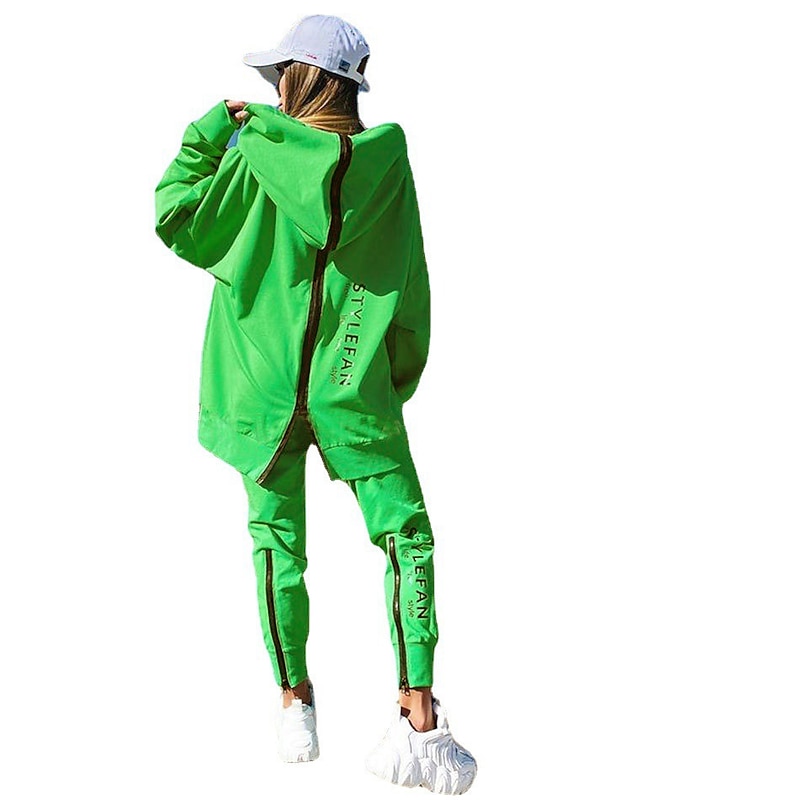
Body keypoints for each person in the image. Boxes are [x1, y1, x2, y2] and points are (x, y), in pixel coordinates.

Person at [154, 14, 477, 794]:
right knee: (407, 538)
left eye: (279, 77)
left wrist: (210, 130)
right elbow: (412, 275)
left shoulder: (250, 153)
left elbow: (175, 216)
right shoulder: (388, 167)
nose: (273, 90)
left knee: (276, 543)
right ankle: (418, 716)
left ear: (299, 80)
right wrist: (391, 376)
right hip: (352, 383)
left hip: (257, 388)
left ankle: (294, 701)